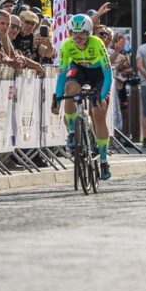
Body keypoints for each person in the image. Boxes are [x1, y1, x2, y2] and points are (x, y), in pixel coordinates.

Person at [51, 14, 113, 179]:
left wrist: (102, 95)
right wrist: (58, 97)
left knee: (99, 114)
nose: (78, 38)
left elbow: (108, 75)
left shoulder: (97, 43)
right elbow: (62, 74)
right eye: (74, 34)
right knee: (70, 89)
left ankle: (104, 160)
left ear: (89, 33)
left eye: (82, 34)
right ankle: (72, 131)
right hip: (79, 70)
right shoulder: (66, 46)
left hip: (99, 75)